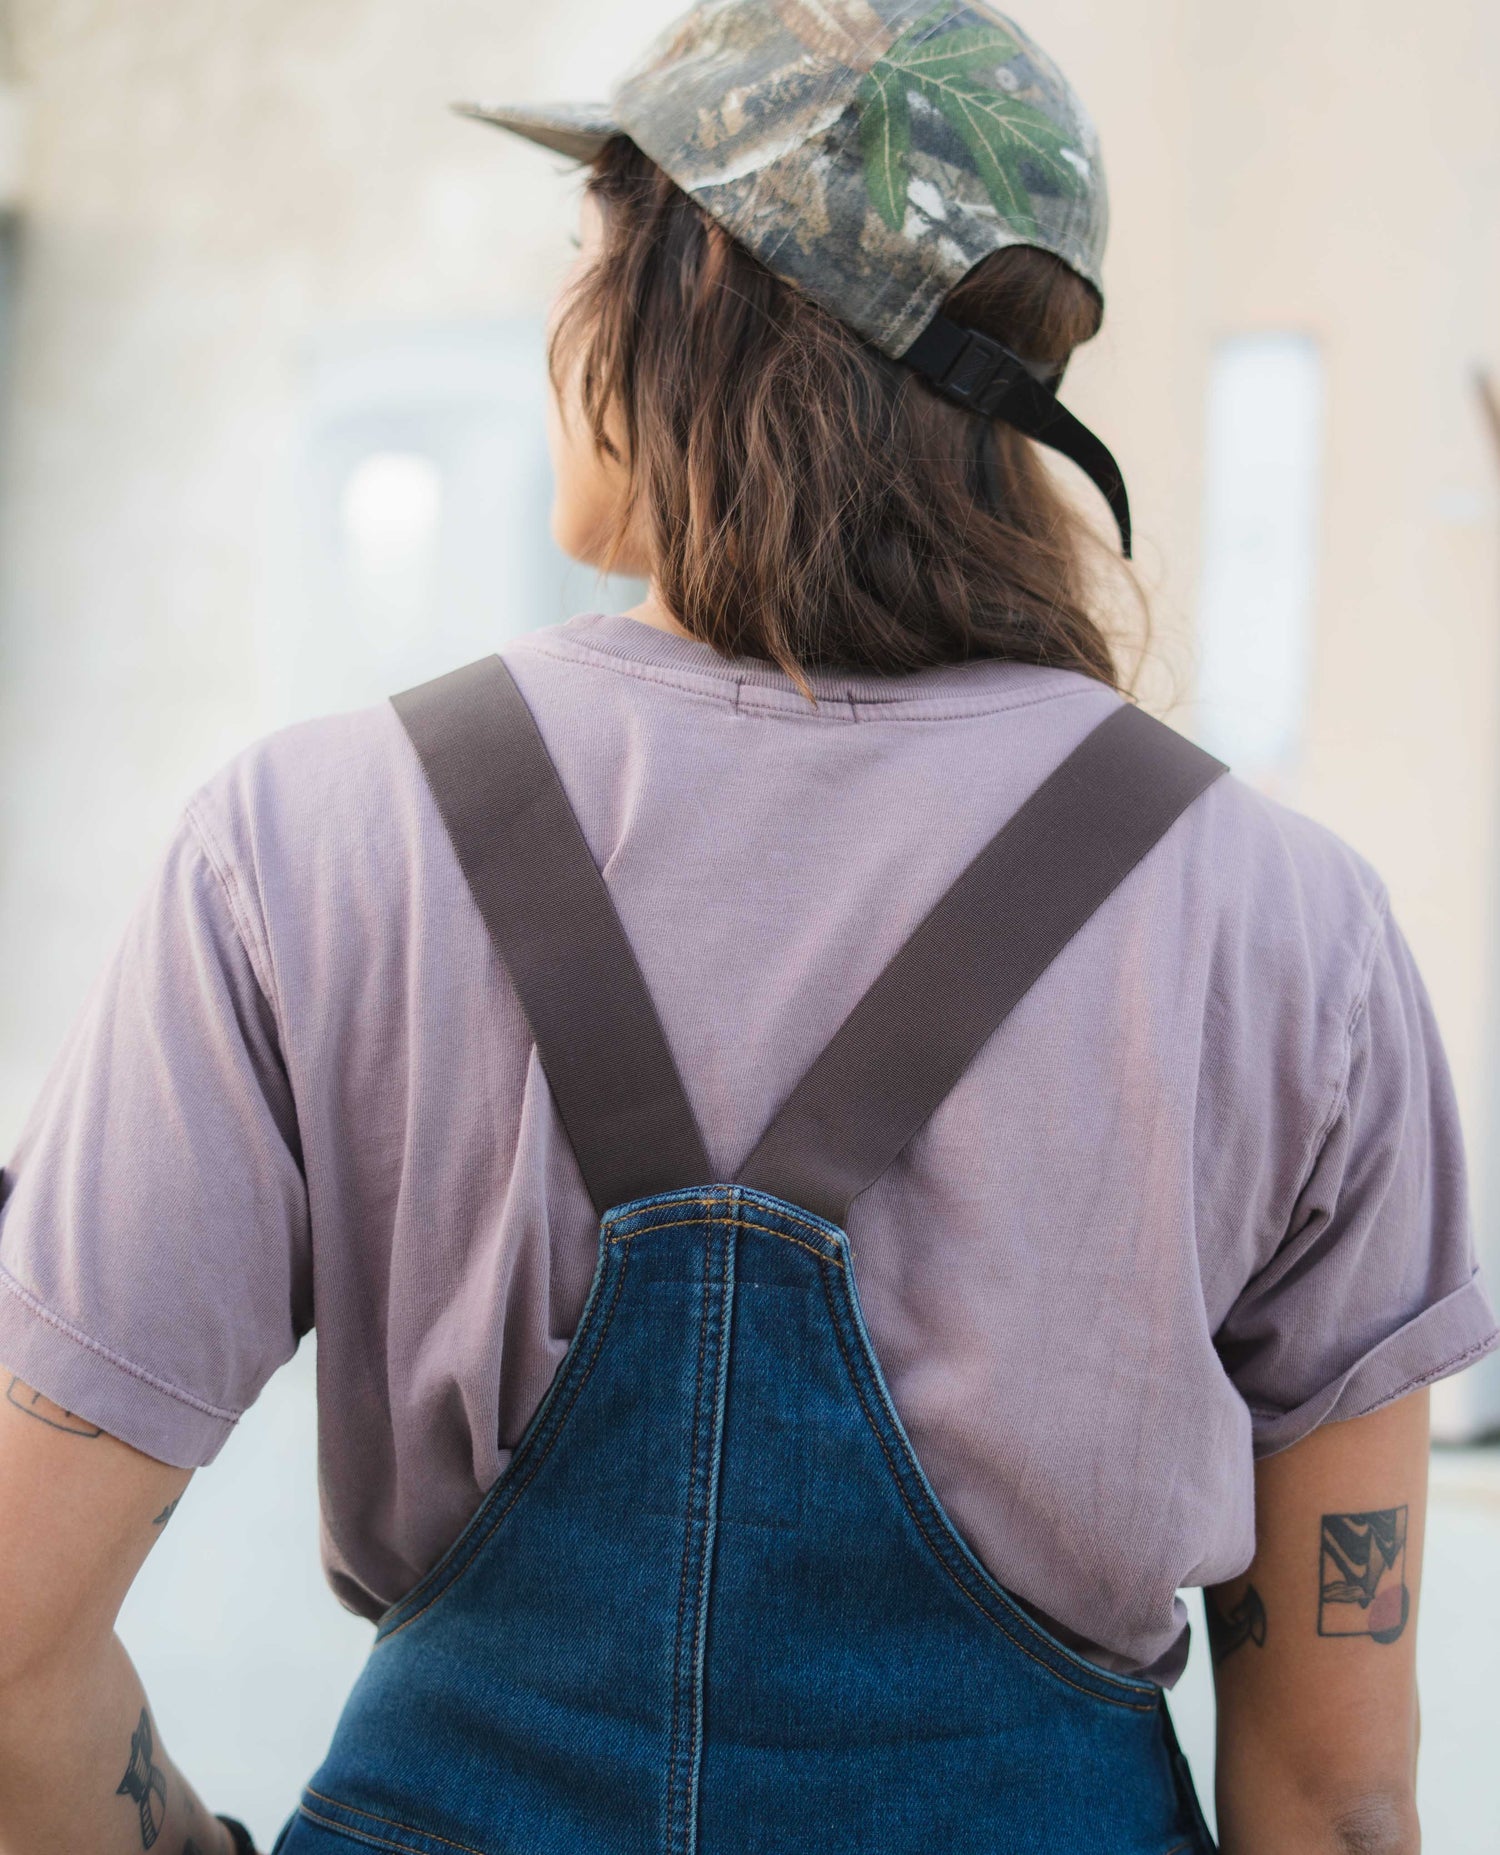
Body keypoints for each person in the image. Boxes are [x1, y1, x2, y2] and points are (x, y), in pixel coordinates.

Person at [0, 3, 1494, 1851]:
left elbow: (8, 1649)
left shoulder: (303, 847)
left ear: (690, 267)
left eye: (589, 248)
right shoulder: (1297, 936)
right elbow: (1337, 1799)